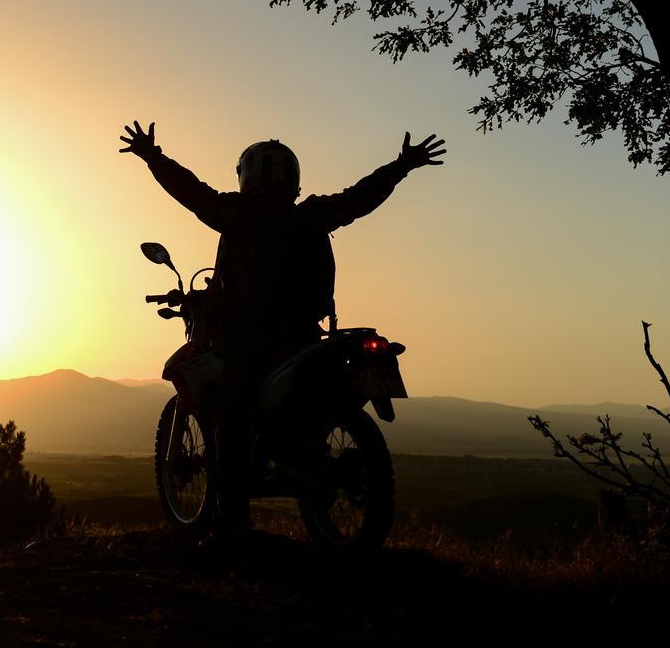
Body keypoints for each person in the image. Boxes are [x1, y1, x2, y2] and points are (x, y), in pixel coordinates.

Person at [119, 120, 445, 537]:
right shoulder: (312, 215)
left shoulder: (235, 214)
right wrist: (401, 166)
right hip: (306, 339)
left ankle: (232, 523)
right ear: (292, 179)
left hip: (248, 341)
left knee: (231, 421)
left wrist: (153, 157)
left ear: (247, 175)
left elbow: (191, 192)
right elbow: (359, 199)